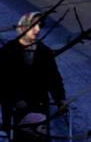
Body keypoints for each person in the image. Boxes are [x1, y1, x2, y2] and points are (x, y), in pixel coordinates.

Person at [0, 11, 66, 140]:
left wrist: (60, 98)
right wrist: (15, 99)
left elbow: (54, 78)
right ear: (23, 27)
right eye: (34, 25)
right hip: (16, 109)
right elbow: (3, 80)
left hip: (39, 104)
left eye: (40, 25)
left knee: (41, 136)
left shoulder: (44, 51)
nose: (38, 29)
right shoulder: (8, 51)